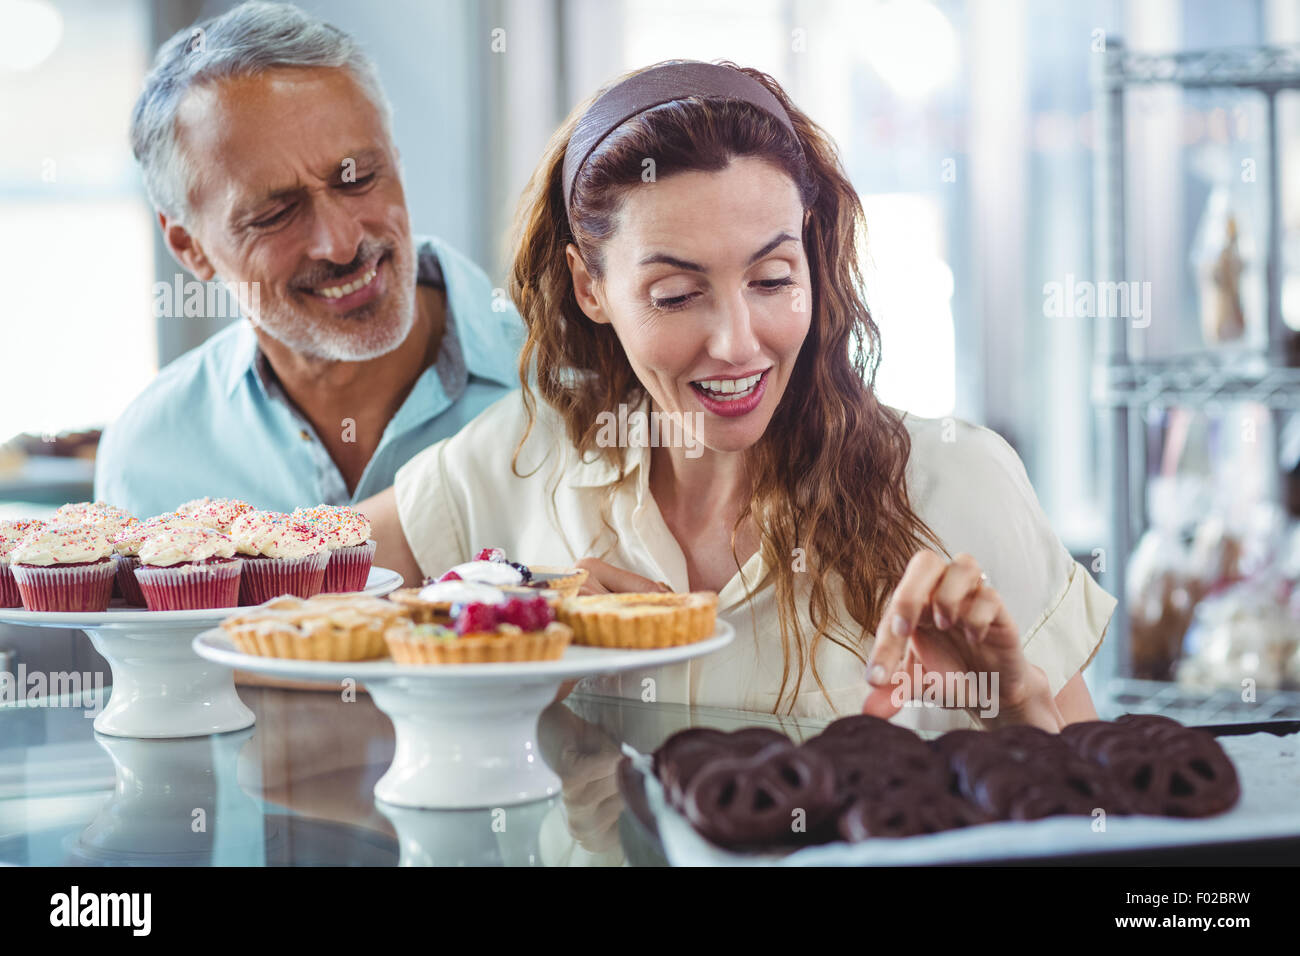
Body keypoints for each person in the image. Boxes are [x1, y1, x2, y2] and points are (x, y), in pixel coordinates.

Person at [362, 60, 1116, 730]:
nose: (736, 342)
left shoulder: (959, 485)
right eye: (678, 293)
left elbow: (1100, 820)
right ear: (591, 287)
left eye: (772, 280)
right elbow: (274, 599)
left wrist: (1017, 712)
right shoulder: (516, 458)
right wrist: (512, 623)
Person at [95, 2, 523, 517]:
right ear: (190, 247)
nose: (341, 244)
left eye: (358, 178)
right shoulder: (148, 458)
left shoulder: (577, 380)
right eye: (274, 214)